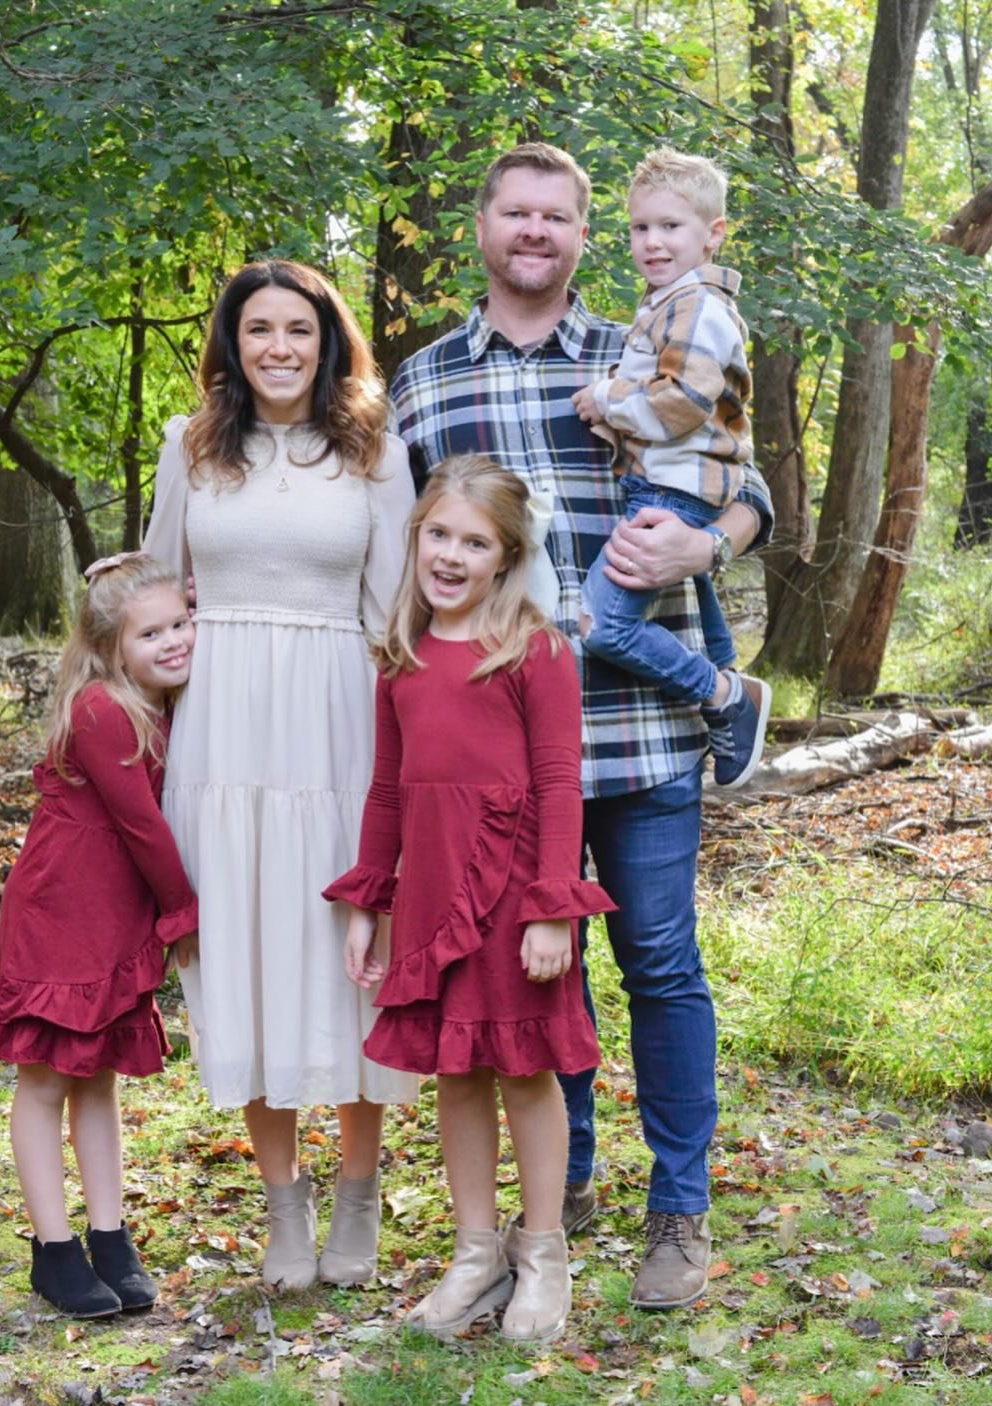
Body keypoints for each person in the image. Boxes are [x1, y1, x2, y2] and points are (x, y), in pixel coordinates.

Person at [390, 143, 774, 1309]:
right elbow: (396, 562)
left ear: (582, 232)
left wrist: (709, 545)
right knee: (536, 973)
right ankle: (563, 1194)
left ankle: (678, 1206)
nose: (535, 231)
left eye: (558, 214)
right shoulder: (420, 383)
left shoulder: (640, 347)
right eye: (515, 211)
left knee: (656, 961)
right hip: (499, 762)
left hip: (640, 724)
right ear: (481, 223)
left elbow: (742, 485)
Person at [143, 259, 419, 1292]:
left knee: (342, 958)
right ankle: (283, 1202)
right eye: (257, 328)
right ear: (230, 341)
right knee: (247, 951)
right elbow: (159, 584)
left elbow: (395, 611)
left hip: (335, 719)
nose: (277, 348)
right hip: (220, 728)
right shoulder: (190, 445)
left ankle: (357, 1190)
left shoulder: (374, 454)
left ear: (328, 340)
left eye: (296, 329)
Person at [325, 456, 614, 1343]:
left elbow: (562, 783)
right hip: (434, 892)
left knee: (527, 1071)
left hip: (515, 893)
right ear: (415, 540)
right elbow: (386, 791)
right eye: (437, 535)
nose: (450, 555)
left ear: (506, 555)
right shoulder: (401, 656)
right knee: (456, 1072)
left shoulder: (535, 649)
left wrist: (554, 908)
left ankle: (544, 1253)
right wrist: (370, 903)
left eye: (474, 542)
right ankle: (476, 1253)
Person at [0, 553, 199, 1318]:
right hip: (62, 915)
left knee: (97, 1074)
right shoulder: (104, 709)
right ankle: (54, 1249)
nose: (174, 641)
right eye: (152, 632)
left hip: (112, 916)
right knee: (45, 1078)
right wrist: (184, 915)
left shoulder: (162, 699)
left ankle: (111, 1238)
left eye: (182, 623)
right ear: (110, 647)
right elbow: (142, 825)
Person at [572, 147, 771, 789]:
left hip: (678, 488)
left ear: (713, 234)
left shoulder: (698, 309)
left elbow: (682, 404)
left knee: (603, 625)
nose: (652, 242)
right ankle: (729, 674)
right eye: (640, 228)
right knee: (693, 589)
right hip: (671, 481)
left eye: (671, 227)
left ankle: (723, 697)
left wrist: (605, 400)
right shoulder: (667, 305)